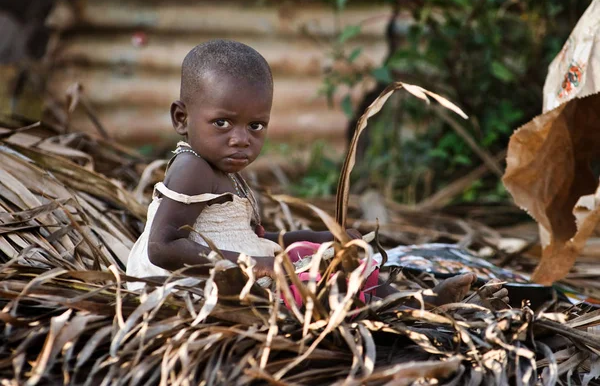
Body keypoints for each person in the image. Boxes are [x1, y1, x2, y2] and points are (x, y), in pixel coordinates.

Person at [126, 40, 506, 307]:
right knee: (322, 282)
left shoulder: (224, 170)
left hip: (234, 268)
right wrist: (252, 265)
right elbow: (162, 248)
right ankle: (415, 304)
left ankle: (419, 301)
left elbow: (255, 237)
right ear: (181, 118)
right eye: (222, 122)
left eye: (256, 126)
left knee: (331, 259)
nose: (240, 140)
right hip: (188, 286)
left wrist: (322, 236)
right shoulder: (192, 168)